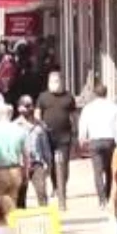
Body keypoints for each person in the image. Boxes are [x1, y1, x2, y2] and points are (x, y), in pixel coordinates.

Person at [36, 71, 77, 210]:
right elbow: (37, 113)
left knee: (64, 164)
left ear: (61, 81)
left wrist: (75, 131)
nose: (55, 83)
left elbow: (73, 115)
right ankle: (55, 186)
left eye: (57, 80)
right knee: (51, 163)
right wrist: (40, 126)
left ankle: (62, 187)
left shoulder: (68, 97)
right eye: (52, 80)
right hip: (47, 136)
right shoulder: (43, 97)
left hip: (64, 136)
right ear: (48, 82)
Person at [78, 83, 117, 209]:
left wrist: (82, 139)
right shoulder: (113, 107)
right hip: (110, 140)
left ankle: (101, 200)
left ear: (95, 94)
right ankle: (108, 194)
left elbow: (83, 124)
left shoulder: (89, 108)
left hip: (95, 141)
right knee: (109, 170)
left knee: (98, 171)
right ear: (106, 93)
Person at [0, 104, 29, 200]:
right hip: (15, 171)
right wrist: (25, 173)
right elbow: (26, 155)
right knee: (11, 203)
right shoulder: (21, 130)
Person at [15, 96, 52, 208]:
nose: (29, 108)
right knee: (20, 196)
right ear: (20, 108)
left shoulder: (40, 125)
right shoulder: (15, 125)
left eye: (30, 105)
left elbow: (45, 146)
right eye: (26, 105)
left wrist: (49, 164)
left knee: (42, 192)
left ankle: (45, 217)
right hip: (21, 165)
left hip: (37, 163)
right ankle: (21, 220)